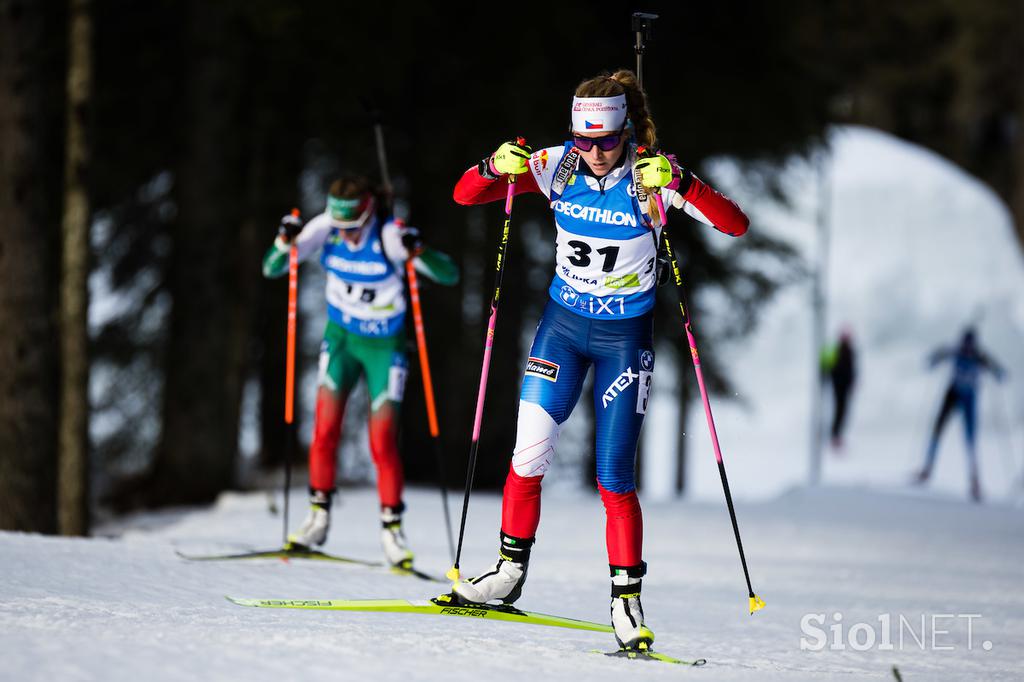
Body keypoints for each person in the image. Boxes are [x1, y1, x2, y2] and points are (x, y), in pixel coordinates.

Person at [449, 70, 748, 650]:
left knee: (613, 476)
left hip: (623, 339)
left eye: (604, 142)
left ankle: (626, 602)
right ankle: (508, 575)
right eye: (581, 140)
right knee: (527, 455)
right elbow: (465, 195)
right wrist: (494, 166)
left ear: (625, 132)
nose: (591, 154)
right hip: (562, 328)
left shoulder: (648, 176)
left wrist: (684, 181)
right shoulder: (557, 164)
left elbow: (735, 224)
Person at [261, 175, 459, 567]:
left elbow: (449, 274)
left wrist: (419, 249)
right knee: (323, 430)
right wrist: (284, 240)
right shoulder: (325, 228)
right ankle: (316, 520)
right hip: (342, 341)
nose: (347, 236)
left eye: (353, 228)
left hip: (384, 347)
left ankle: (392, 533)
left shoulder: (387, 237)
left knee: (382, 439)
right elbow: (272, 269)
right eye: (341, 228)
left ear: (368, 215)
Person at [915, 327, 1006, 502]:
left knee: (970, 438)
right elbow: (939, 355)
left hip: (969, 398)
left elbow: (997, 369)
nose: (966, 347)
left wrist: (999, 374)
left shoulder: (980, 356)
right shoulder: (956, 350)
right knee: (937, 430)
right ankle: (927, 468)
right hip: (953, 394)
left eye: (969, 344)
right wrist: (932, 361)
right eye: (965, 343)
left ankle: (974, 478)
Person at [821, 328, 857, 450]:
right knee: (840, 410)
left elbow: (852, 370)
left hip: (844, 385)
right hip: (838, 385)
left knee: (842, 410)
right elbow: (826, 367)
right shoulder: (836, 350)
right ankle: (835, 435)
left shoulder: (849, 351)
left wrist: (852, 382)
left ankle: (836, 435)